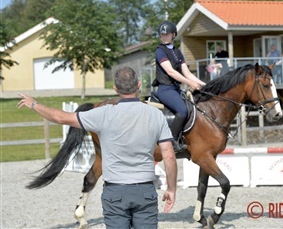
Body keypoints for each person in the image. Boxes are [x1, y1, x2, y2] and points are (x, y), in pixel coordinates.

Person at [18, 67, 177, 229]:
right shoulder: (155, 115)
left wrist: (34, 104)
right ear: (138, 85)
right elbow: (169, 156)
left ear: (115, 88)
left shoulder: (103, 114)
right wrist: (171, 188)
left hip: (115, 192)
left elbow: (60, 117)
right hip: (144, 191)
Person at [152, 20, 205, 153]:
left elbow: (186, 72)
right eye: (162, 34)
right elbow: (170, 71)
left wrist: (204, 85)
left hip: (176, 89)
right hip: (165, 89)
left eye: (167, 34)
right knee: (182, 110)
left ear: (173, 34)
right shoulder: (160, 51)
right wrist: (190, 83)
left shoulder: (177, 52)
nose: (164, 36)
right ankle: (172, 141)